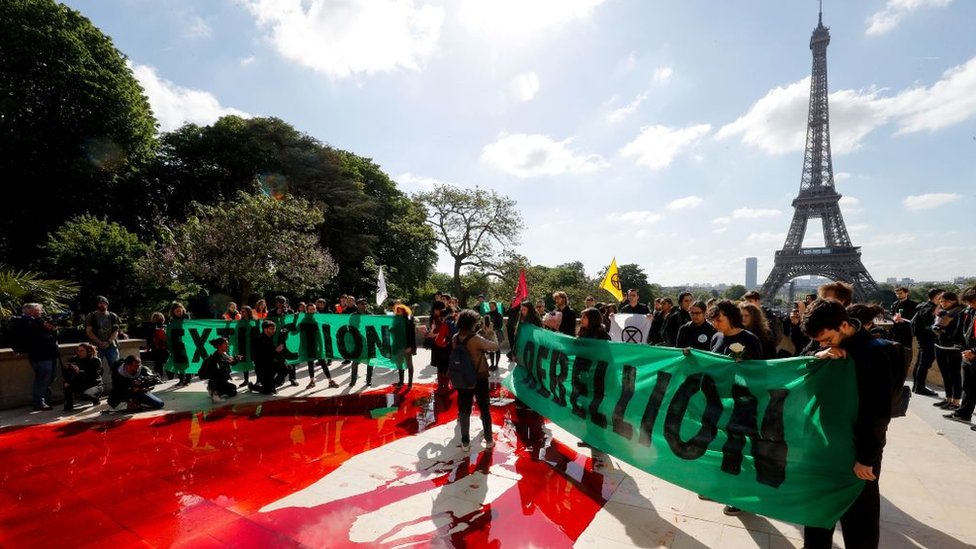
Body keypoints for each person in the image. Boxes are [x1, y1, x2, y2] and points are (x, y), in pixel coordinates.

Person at [800, 298, 896, 549]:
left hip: (858, 448)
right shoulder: (823, 336)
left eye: (827, 340)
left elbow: (878, 411)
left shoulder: (875, 352)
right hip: (825, 443)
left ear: (843, 325)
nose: (823, 343)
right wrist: (818, 354)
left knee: (859, 519)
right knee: (818, 513)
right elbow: (803, 360)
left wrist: (866, 457)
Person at [453, 309, 500, 452]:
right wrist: (491, 332)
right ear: (472, 324)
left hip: (462, 378)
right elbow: (495, 347)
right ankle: (489, 440)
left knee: (464, 410)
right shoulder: (476, 339)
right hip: (480, 377)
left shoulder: (455, 337)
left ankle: (465, 442)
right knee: (484, 409)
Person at [14, 303, 60, 411]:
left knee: (50, 377)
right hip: (40, 356)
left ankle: (46, 399)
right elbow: (33, 337)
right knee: (43, 378)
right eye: (37, 310)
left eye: (40, 310)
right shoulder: (24, 321)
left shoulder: (40, 321)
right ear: (28, 311)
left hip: (50, 353)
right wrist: (45, 328)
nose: (40, 312)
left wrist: (52, 328)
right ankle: (38, 402)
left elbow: (52, 334)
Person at [944, 288, 976, 426]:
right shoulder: (969, 311)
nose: (970, 305)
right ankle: (963, 414)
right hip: (968, 355)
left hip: (973, 354)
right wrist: (964, 350)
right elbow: (962, 332)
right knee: (968, 387)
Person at [932, 292, 965, 410]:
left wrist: (942, 330)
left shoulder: (959, 312)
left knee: (955, 374)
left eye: (946, 301)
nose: (943, 303)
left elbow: (958, 330)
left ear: (954, 301)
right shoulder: (942, 312)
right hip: (940, 345)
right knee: (945, 374)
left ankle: (956, 401)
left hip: (952, 347)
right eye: (941, 301)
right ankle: (948, 398)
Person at [911, 288, 944, 396]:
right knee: (924, 362)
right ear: (936, 296)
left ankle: (917, 386)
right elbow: (929, 318)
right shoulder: (929, 307)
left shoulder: (924, 305)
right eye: (941, 296)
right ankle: (919, 387)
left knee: (921, 362)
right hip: (926, 337)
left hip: (924, 337)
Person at [305, 302, 338, 389]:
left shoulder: (319, 318)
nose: (312, 311)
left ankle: (330, 380)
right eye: (310, 309)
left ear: (315, 309)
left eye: (313, 309)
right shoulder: (304, 320)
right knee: (310, 363)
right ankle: (312, 381)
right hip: (309, 344)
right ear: (307, 310)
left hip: (318, 343)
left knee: (323, 363)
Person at [62, 342, 103, 411]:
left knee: (85, 395)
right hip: (81, 383)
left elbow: (92, 376)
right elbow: (66, 372)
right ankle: (68, 405)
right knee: (66, 384)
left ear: (88, 351)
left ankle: (95, 398)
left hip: (94, 384)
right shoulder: (75, 359)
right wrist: (67, 380)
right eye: (78, 350)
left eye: (82, 351)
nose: (79, 352)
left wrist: (79, 371)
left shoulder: (95, 361)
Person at [199, 337, 242, 403]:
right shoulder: (215, 357)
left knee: (233, 390)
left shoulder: (224, 354)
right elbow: (215, 373)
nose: (227, 346)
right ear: (219, 345)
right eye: (225, 344)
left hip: (223, 380)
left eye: (227, 344)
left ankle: (213, 389)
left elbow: (231, 362)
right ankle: (214, 392)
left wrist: (237, 359)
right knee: (217, 376)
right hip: (216, 381)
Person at [85, 295, 121, 371]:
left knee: (116, 367)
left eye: (104, 303)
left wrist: (108, 342)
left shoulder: (113, 316)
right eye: (100, 303)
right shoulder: (91, 316)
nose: (103, 304)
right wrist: (100, 342)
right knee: (96, 368)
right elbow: (89, 331)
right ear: (97, 304)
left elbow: (116, 331)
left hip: (111, 346)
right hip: (95, 346)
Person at [249, 321, 286, 395]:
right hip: (262, 368)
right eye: (271, 329)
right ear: (265, 329)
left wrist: (285, 361)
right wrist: (276, 350)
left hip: (271, 364)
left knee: (286, 369)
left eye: (274, 329)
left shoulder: (272, 337)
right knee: (267, 391)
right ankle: (253, 387)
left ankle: (271, 385)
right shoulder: (259, 340)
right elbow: (264, 356)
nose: (273, 331)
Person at [889, 287, 918, 375]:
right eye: (897, 294)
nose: (898, 295)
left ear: (907, 293)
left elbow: (915, 320)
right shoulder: (895, 304)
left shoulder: (913, 305)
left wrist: (904, 321)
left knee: (906, 353)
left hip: (906, 332)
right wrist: (894, 318)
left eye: (901, 293)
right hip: (896, 332)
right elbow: (892, 315)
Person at [425, 302, 453, 393]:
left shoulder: (446, 320)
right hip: (438, 345)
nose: (435, 311)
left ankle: (445, 386)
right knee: (440, 366)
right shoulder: (434, 318)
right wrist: (429, 333)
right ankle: (441, 385)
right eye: (434, 310)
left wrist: (434, 335)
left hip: (444, 345)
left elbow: (445, 333)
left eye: (437, 310)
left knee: (444, 366)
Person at [169, 302, 194, 387]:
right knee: (179, 362)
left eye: (180, 311)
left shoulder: (187, 319)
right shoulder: (172, 321)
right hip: (177, 344)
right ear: (173, 312)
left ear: (183, 310)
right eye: (177, 311)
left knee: (186, 362)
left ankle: (188, 379)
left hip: (186, 344)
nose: (179, 313)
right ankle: (181, 379)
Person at [393, 303, 416, 390]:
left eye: (400, 311)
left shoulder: (409, 319)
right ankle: (401, 381)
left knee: (409, 364)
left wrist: (410, 346)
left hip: (407, 345)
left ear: (404, 311)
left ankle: (410, 383)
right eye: (397, 311)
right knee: (399, 364)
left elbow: (411, 334)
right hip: (399, 346)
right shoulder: (396, 321)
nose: (399, 313)